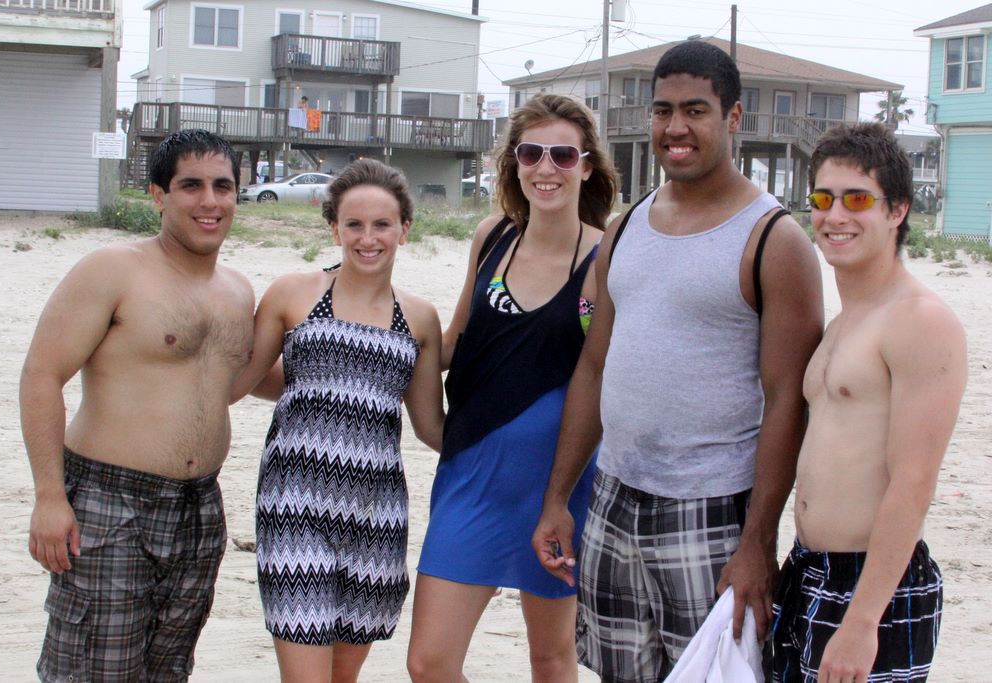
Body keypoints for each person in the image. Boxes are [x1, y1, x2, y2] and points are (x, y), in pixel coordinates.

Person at [531, 40, 825, 682]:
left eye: (695, 110)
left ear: (734, 116)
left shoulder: (774, 241)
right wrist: (558, 498)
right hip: (613, 499)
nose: (675, 127)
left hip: (712, 510)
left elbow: (789, 402)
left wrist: (757, 542)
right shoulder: (625, 228)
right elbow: (595, 367)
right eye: (663, 111)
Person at [19, 129, 255, 681]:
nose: (210, 201)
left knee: (168, 669)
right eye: (191, 186)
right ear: (158, 195)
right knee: (94, 669)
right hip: (110, 501)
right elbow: (42, 375)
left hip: (199, 510)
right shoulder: (112, 269)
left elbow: (245, 376)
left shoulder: (238, 291)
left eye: (222, 186)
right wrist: (49, 497)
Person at [407, 93, 618, 682]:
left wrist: (562, 497)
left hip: (560, 487)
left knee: (551, 658)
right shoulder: (493, 236)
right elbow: (455, 341)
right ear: (514, 164)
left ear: (587, 166)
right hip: (472, 473)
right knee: (429, 663)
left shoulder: (605, 257)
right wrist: (387, 337)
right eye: (531, 153)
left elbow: (605, 375)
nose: (546, 168)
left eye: (563, 155)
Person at [230, 158, 445, 683]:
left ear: (404, 229)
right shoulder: (292, 294)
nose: (367, 238)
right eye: (354, 224)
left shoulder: (419, 318)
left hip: (377, 515)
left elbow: (432, 428)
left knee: (343, 676)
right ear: (334, 229)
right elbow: (241, 381)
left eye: (381, 224)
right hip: (294, 505)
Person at [768, 123, 967, 682]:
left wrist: (862, 622)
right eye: (822, 199)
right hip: (807, 568)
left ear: (897, 210)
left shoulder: (920, 320)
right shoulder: (843, 323)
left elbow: (913, 483)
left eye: (857, 199)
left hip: (873, 586)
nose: (835, 216)